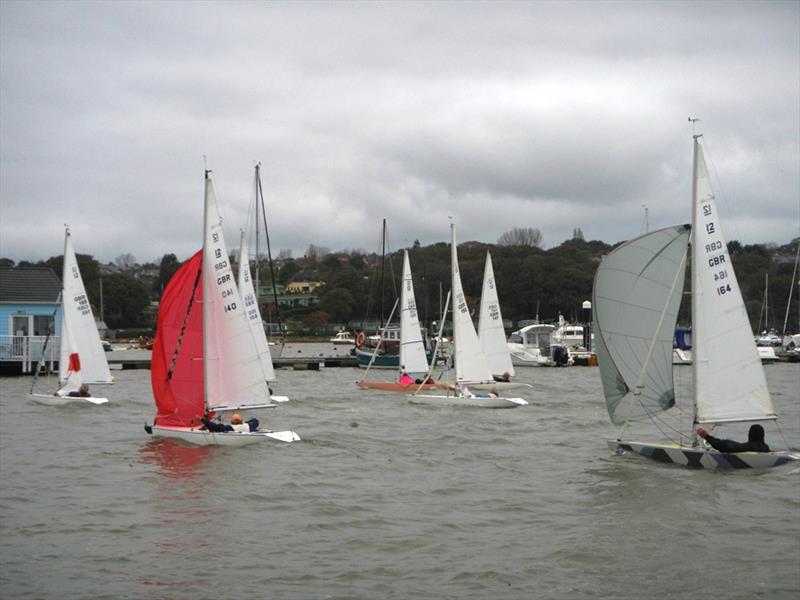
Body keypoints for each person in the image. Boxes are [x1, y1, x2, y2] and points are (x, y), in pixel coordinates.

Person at [696, 424, 771, 453]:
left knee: (727, 442)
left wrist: (706, 436)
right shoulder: (766, 448)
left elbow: (723, 446)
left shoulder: (748, 447)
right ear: (762, 435)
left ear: (750, 434)